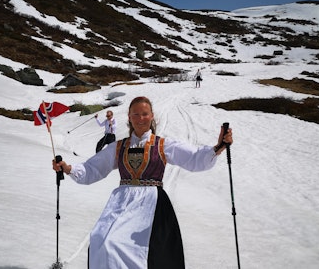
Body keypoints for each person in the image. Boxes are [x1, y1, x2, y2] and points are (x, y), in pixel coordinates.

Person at [53, 96, 233, 269]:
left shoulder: (163, 145)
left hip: (151, 205)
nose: (141, 118)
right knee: (101, 240)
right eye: (136, 114)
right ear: (129, 117)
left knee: (134, 249)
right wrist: (68, 168)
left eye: (145, 114)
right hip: (121, 203)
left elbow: (194, 158)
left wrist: (218, 147)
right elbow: (93, 168)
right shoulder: (119, 147)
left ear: (152, 116)